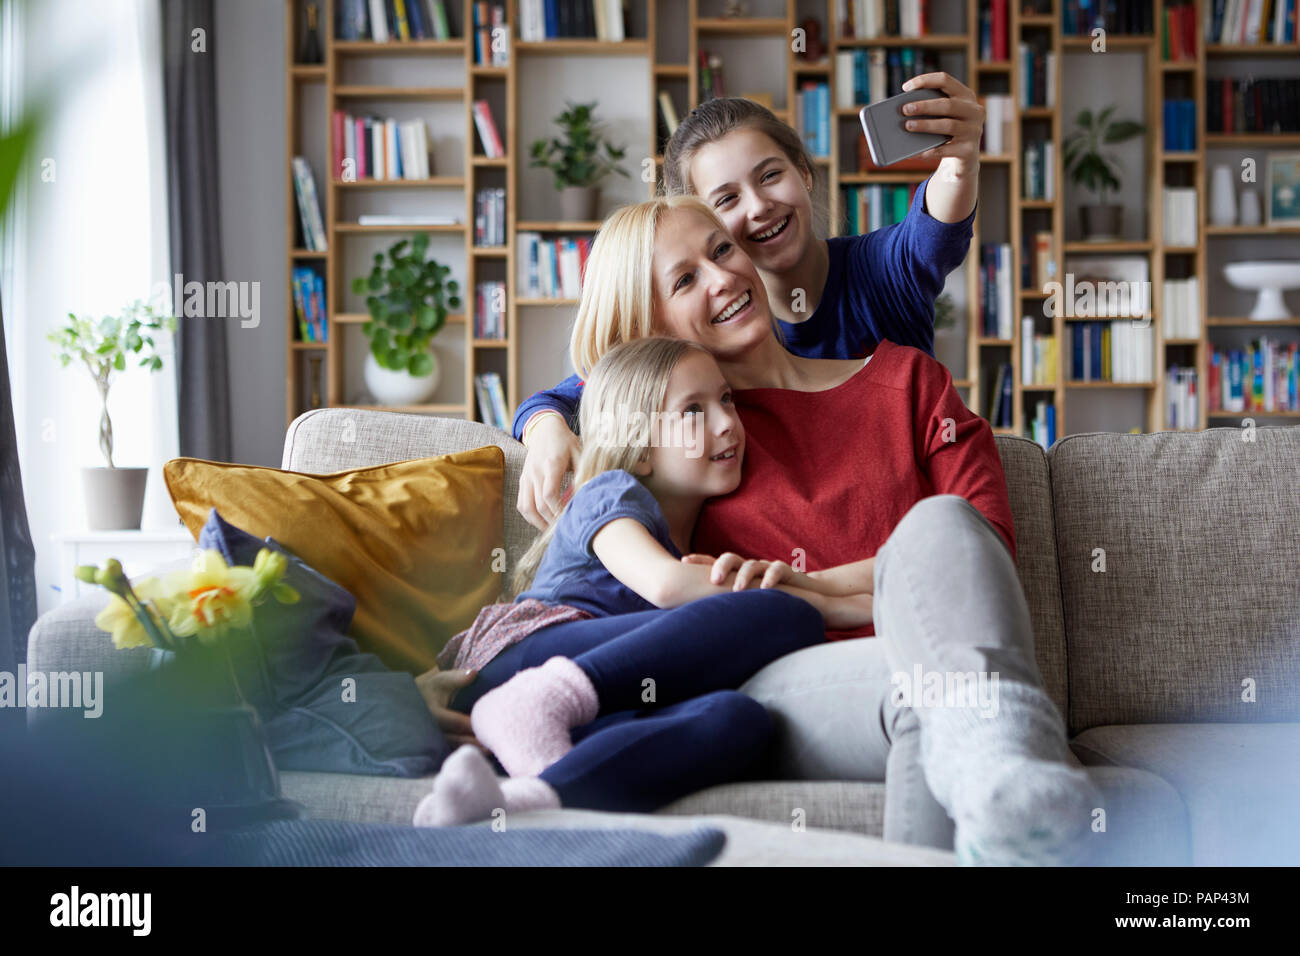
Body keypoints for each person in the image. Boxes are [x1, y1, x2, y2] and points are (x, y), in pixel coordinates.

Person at [467, 195, 1099, 864]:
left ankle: (997, 770)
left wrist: (817, 587)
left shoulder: (882, 390)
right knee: (875, 664)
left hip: (902, 660)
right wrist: (541, 422)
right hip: (769, 673)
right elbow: (610, 404)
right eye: (685, 278)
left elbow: (980, 553)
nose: (722, 277)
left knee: (943, 544)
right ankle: (1006, 768)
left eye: (723, 250)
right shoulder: (677, 454)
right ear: (652, 329)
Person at [414, 336, 873, 827]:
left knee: (740, 720)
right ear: (639, 451)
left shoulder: (692, 551)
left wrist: (846, 589)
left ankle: (535, 797)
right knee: (783, 616)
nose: (726, 423)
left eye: (725, 399)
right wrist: (824, 605)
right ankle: (535, 703)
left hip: (579, 706)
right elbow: (666, 586)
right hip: (518, 660)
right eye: (693, 411)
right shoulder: (609, 494)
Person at [512, 78, 985, 529]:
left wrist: (960, 164)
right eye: (727, 200)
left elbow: (935, 231)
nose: (758, 207)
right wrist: (544, 429)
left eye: (771, 175)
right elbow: (588, 383)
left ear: (803, 171)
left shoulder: (880, 271)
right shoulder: (707, 336)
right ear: (699, 217)